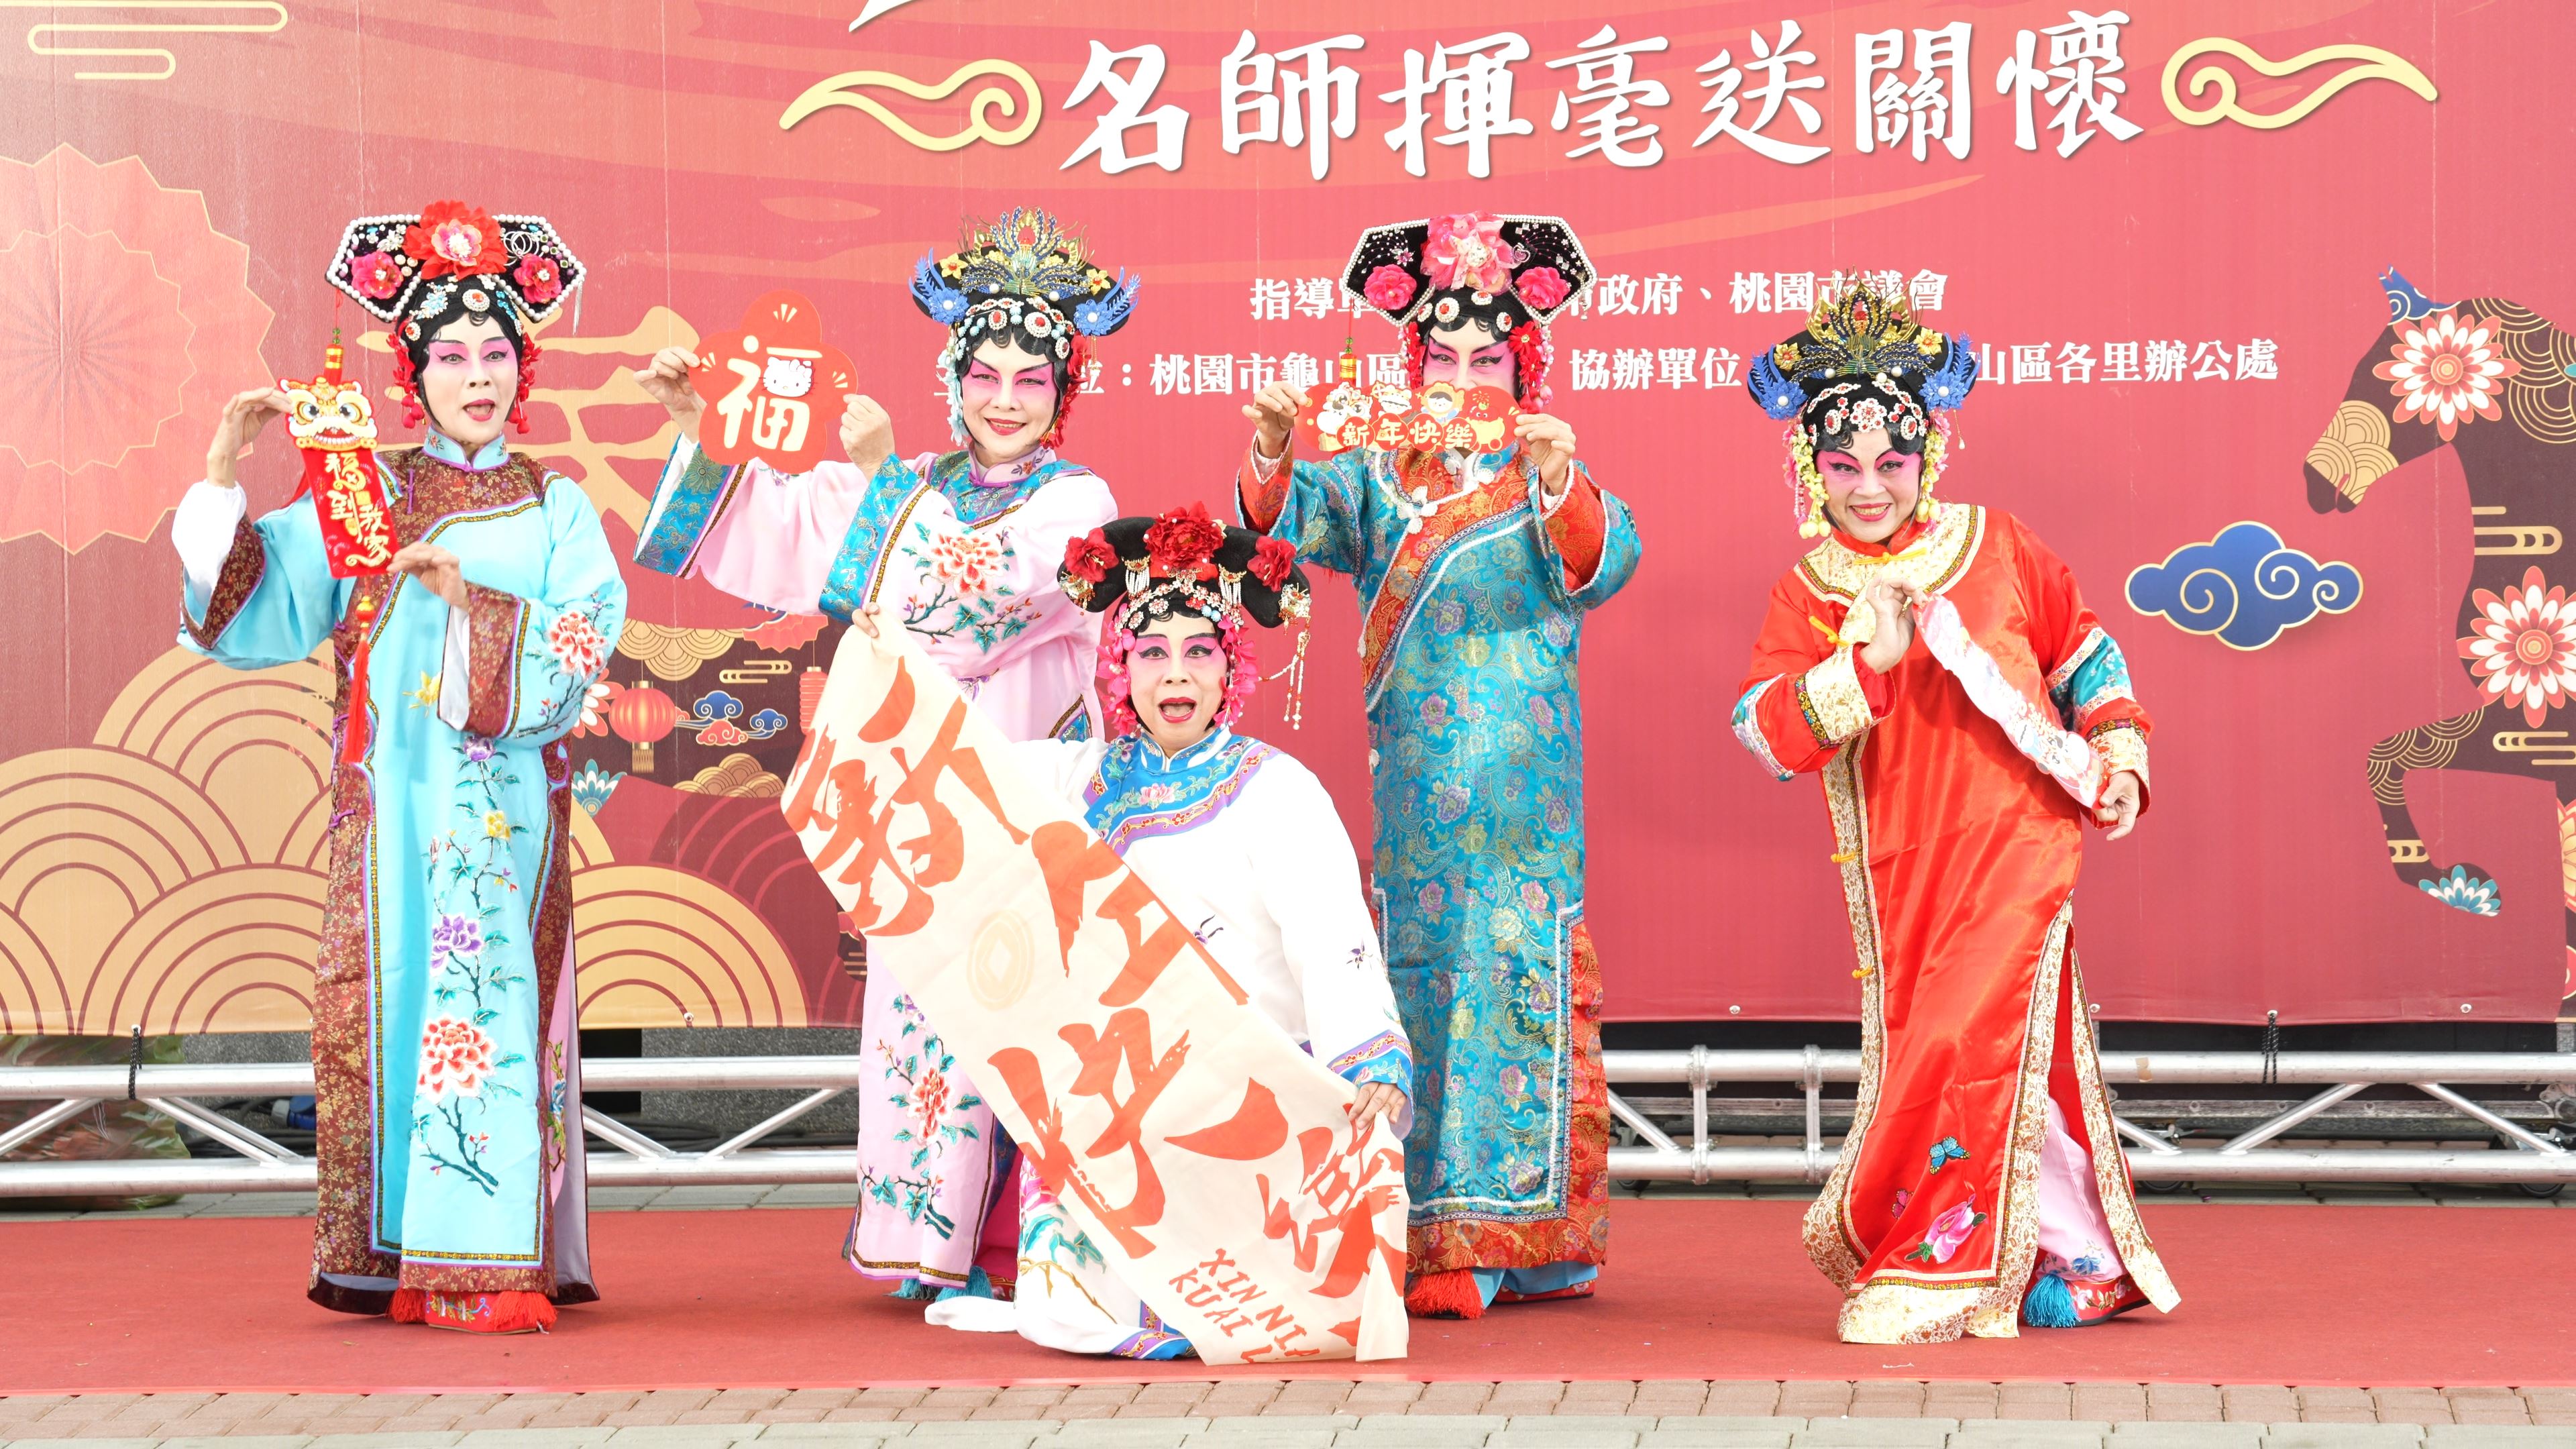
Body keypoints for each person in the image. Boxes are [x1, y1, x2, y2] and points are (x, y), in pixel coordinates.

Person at [631, 208, 1133, 1306]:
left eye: (1031, 381)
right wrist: (699, 427)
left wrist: (881, 484)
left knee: (1017, 1009)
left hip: (1020, 787)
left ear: (1063, 392)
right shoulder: (905, 475)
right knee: (917, 1020)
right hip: (915, 791)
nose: (1005, 401)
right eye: (985, 376)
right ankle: (929, 1243)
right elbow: (772, 527)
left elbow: (977, 611)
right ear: (955, 378)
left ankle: (1014, 1248)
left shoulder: (1076, 501)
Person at [175, 201, 623, 1333]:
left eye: (496, 355)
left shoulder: (555, 503)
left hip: (504, 810)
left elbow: (585, 642)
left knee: (489, 1001)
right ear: (413, 374)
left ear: (524, 369)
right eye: (452, 357)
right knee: (392, 1008)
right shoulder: (362, 491)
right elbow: (253, 612)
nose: (477, 377)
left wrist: (471, 605)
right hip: (389, 814)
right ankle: (395, 1259)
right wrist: (225, 470)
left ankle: (486, 1265)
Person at [1730, 282, 2181, 1342]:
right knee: (1977, 1046)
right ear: (1810, 466)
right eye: (1844, 467)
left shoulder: (1998, 544)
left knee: (1963, 1037)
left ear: (1928, 453)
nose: (1869, 489)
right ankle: (2079, 1257)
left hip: (2021, 840)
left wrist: (2120, 752)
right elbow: (1766, 731)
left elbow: (2087, 655)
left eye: (1892, 463)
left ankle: (1942, 1269)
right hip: (1904, 867)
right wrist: (1863, 666)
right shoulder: (1812, 592)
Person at [851, 504, 1411, 1358]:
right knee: (1070, 1293)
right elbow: (950, 766)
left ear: (1231, 666)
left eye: (1199, 651)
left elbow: (1332, 937)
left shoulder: (1278, 789)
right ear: (1119, 665)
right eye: (1152, 652)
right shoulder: (1073, 779)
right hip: (1117, 1105)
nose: (1175, 674)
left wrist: (1365, 1054)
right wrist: (887, 666)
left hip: (1245, 1093)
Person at [1236, 213, 1639, 1320]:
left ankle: (1529, 1236)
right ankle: (1428, 1226)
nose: (1465, 381)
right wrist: (1272, 454)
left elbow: (1608, 561)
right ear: (1414, 369)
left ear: (1525, 368)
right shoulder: (1377, 477)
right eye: (1445, 359)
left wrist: (1560, 476)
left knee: (1518, 985)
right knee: (1421, 983)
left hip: (1527, 794)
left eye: (1489, 360)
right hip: (1417, 792)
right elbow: (1286, 531)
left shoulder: (1548, 471)